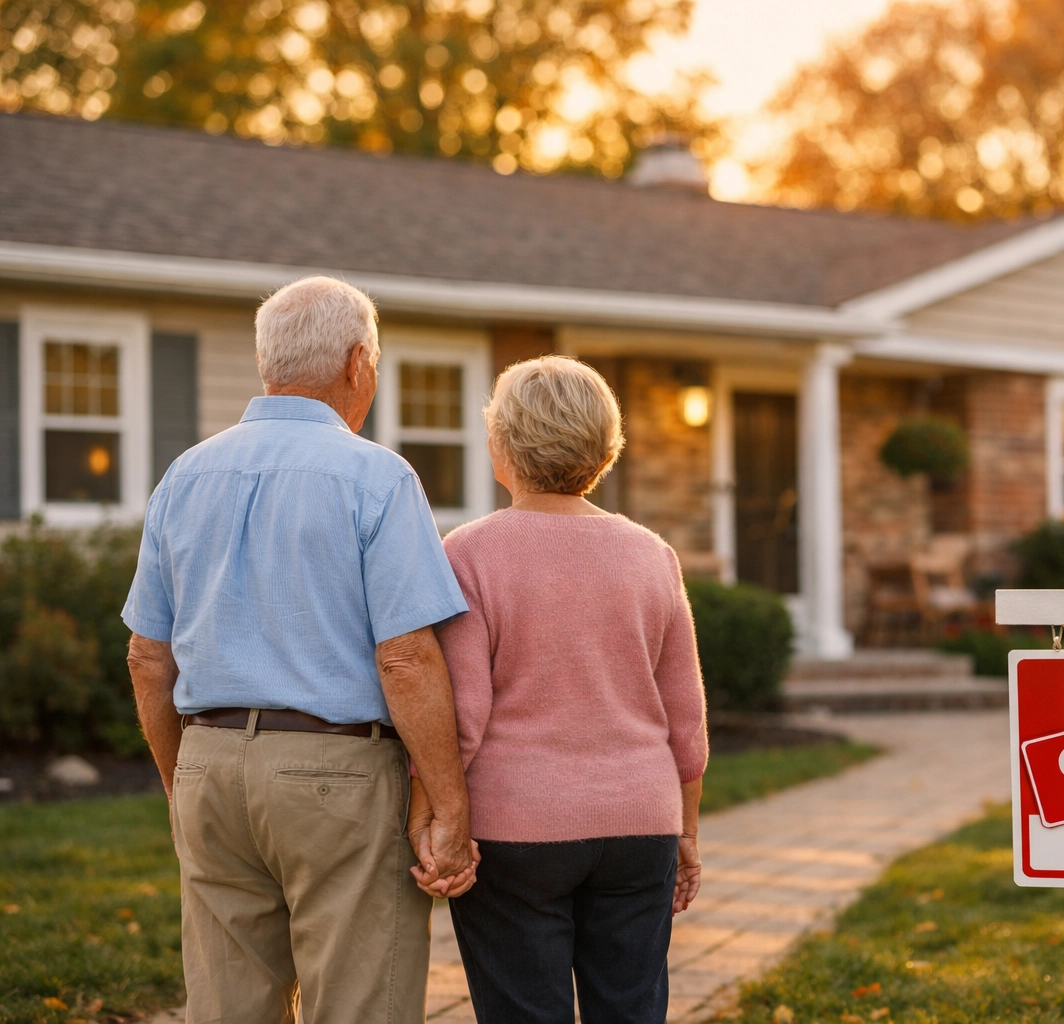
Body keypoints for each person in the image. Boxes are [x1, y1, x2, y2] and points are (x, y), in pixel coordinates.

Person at [123, 276, 478, 1024]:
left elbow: (147, 660)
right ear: (357, 365)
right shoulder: (378, 477)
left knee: (226, 1008)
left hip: (209, 765)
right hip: (338, 775)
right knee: (358, 1005)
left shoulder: (183, 475)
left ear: (268, 365)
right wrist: (449, 804)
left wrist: (180, 783)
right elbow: (407, 658)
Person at [424, 355, 708, 1024]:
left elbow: (461, 715)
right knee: (631, 1009)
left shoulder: (468, 553)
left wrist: (436, 815)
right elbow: (686, 721)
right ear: (604, 447)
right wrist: (686, 831)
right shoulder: (652, 555)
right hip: (643, 823)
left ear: (503, 448)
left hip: (514, 832)